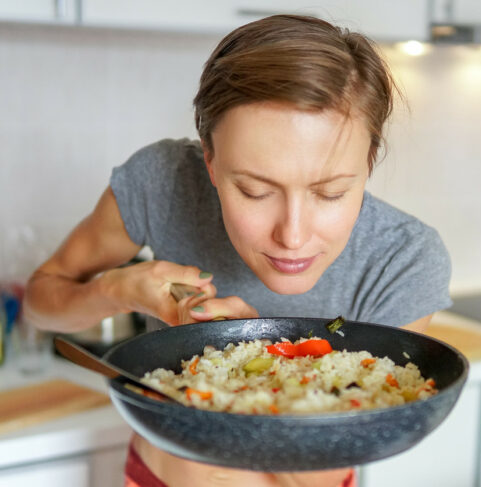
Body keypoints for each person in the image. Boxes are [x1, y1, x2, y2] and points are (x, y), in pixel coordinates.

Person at [24, 14, 451, 487]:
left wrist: (252, 351)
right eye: (254, 190)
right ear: (209, 160)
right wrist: (118, 288)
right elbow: (41, 307)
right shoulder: (164, 182)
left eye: (330, 193)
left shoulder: (404, 259)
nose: (292, 236)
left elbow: (331, 454)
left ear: (369, 163)